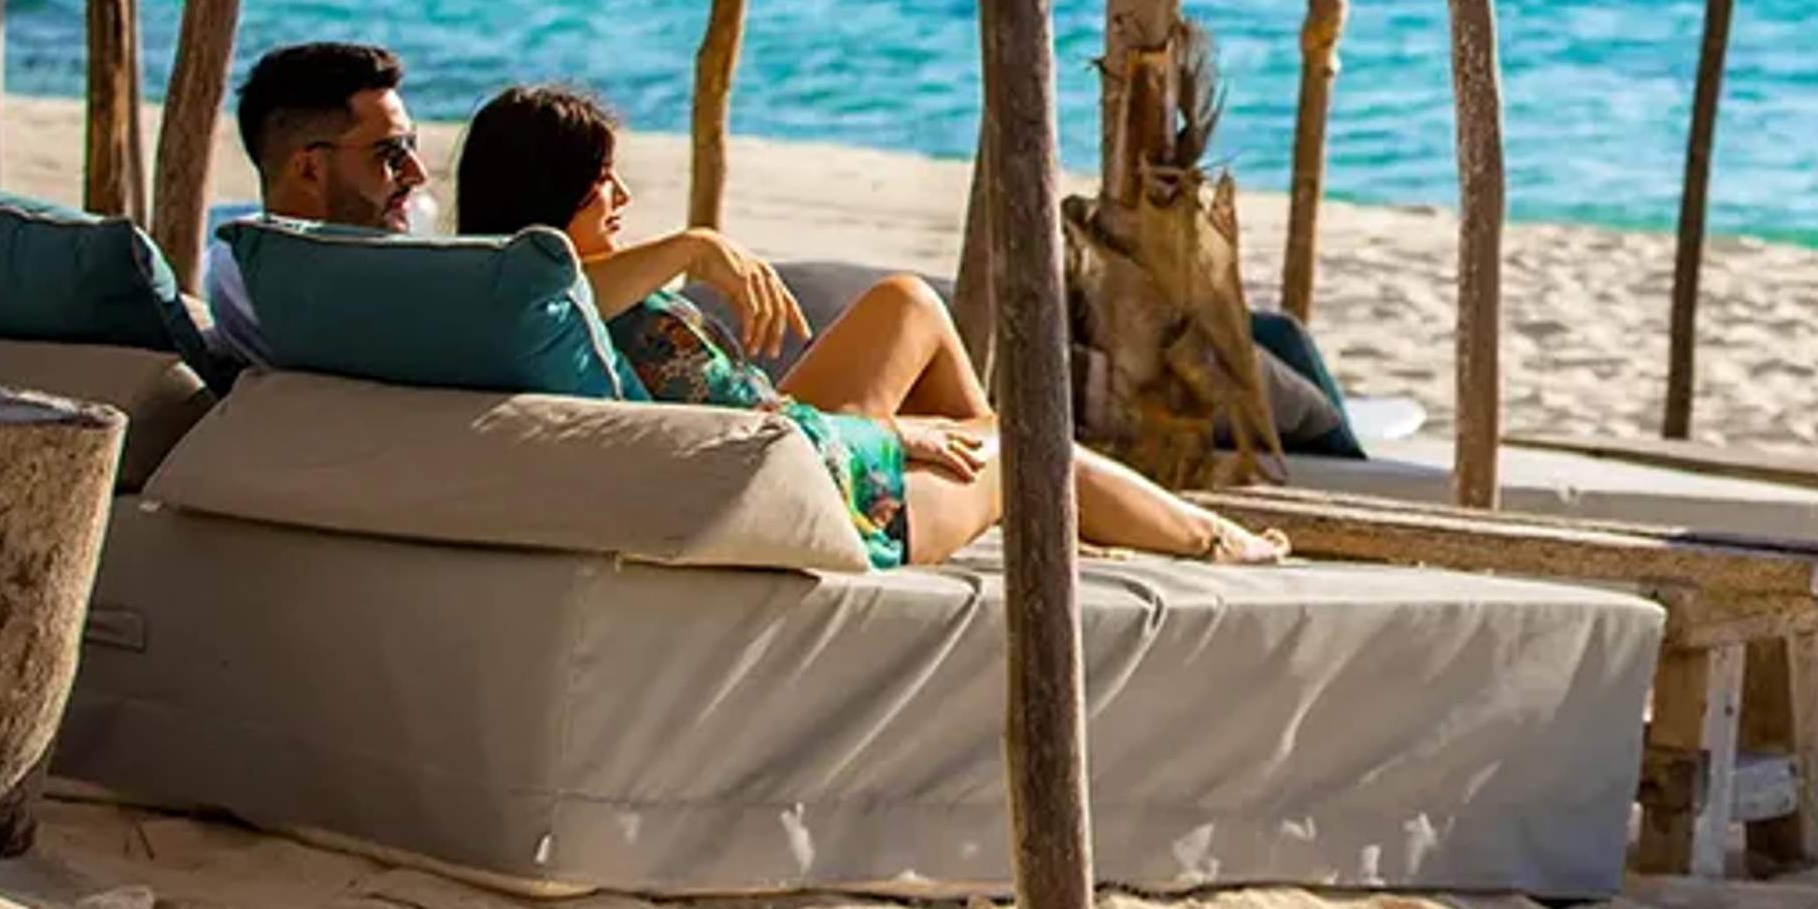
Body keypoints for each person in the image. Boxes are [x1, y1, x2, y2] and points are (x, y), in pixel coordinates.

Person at [452, 83, 1283, 572]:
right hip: (814, 488)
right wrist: (696, 250)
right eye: (602, 184)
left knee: (907, 302)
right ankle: (1207, 538)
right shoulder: (547, 298)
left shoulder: (517, 297)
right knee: (1024, 451)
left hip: (780, 443)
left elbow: (576, 299)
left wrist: (888, 429)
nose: (623, 200)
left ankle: (1042, 490)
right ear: (549, 188)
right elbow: (574, 301)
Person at [206, 41, 428, 366]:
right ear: (310, 169)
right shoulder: (357, 305)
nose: (417, 173)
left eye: (412, 144)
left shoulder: (233, 262)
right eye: (390, 152)